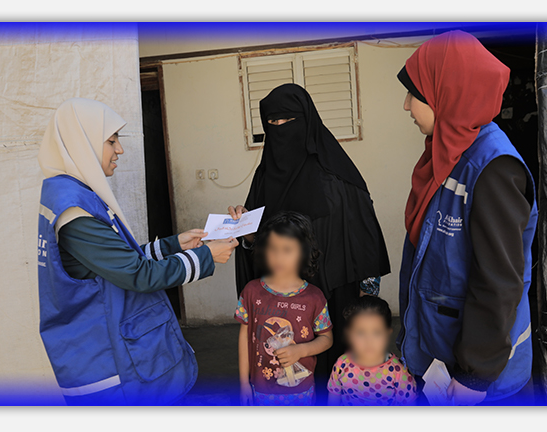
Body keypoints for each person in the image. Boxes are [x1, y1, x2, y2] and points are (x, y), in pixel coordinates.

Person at [36, 98, 238, 405]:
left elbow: (114, 259)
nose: (119, 150)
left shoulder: (70, 193)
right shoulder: (75, 210)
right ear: (83, 142)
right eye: (111, 141)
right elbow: (137, 274)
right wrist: (206, 256)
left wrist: (173, 245)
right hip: (106, 360)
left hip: (106, 347)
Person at [395, 31, 538, 405]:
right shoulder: (447, 153)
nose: (406, 105)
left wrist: (473, 376)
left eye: (414, 93)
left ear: (448, 92)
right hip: (439, 355)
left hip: (477, 378)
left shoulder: (493, 168)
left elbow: (498, 281)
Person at [226, 84, 390, 400]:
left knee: (334, 379)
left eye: (287, 121)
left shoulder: (337, 175)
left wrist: (366, 301)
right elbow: (258, 242)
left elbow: (364, 240)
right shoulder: (265, 177)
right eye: (272, 123)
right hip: (278, 303)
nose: (280, 129)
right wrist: (246, 232)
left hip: (333, 300)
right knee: (282, 381)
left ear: (307, 121)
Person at [235, 212, 333, 406]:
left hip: (301, 390)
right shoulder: (251, 292)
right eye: (273, 248)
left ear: (303, 252)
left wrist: (301, 350)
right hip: (259, 389)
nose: (278, 257)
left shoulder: (314, 297)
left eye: (287, 250)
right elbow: (244, 338)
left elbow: (327, 339)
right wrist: (243, 383)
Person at [327, 296, 417, 406]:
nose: (368, 341)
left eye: (376, 333)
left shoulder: (398, 372)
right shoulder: (341, 364)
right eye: (360, 333)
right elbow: (333, 400)